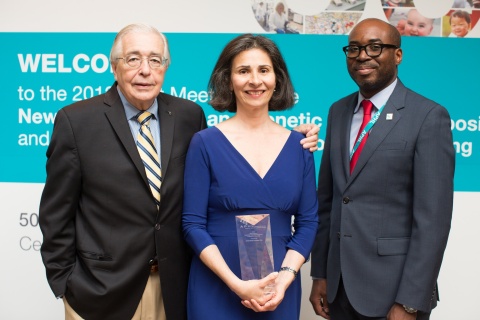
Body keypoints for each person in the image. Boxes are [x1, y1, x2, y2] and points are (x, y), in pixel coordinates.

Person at [39, 24, 320, 320]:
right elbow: (56, 212)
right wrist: (65, 283)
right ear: (114, 66)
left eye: (155, 60)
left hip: (174, 287)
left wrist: (293, 141)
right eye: (133, 59)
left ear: (166, 66)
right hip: (103, 290)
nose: (145, 70)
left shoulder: (188, 117)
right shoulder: (77, 121)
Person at [309, 18, 454, 320]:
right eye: (354, 49)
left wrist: (411, 301)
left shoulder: (428, 116)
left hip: (394, 295)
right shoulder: (337, 111)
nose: (363, 56)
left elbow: (432, 222)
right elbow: (329, 202)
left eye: (376, 47)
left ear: (397, 55)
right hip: (339, 288)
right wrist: (320, 274)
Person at [182, 34, 318, 320]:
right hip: (217, 286)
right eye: (243, 71)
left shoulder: (300, 146)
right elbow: (192, 224)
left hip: (277, 288)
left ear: (277, 79)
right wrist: (237, 285)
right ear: (228, 80)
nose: (255, 81)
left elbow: (308, 224)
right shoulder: (204, 143)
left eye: (263, 70)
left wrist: (284, 279)